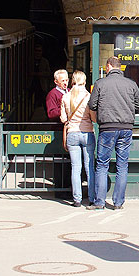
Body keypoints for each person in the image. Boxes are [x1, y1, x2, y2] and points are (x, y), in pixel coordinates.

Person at [87, 56, 139, 210]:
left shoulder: (100, 83)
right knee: (122, 165)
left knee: (102, 165)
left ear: (109, 66)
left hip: (107, 128)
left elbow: (92, 105)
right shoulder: (131, 84)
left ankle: (99, 202)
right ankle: (118, 203)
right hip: (126, 128)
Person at [60, 71, 95, 208]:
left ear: (72, 81)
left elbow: (63, 119)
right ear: (85, 81)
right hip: (87, 133)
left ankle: (77, 199)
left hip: (72, 134)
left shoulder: (65, 97)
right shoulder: (88, 97)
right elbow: (93, 118)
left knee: (76, 167)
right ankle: (92, 197)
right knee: (89, 167)